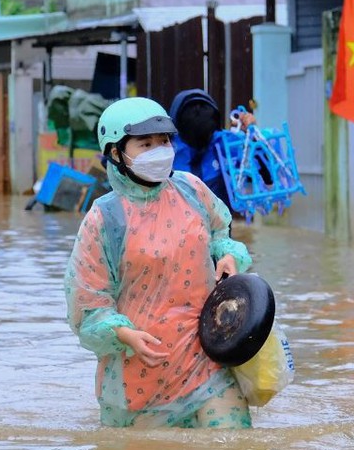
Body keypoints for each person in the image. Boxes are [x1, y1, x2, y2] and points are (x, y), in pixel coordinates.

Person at [65, 97, 254, 428]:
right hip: (141, 373)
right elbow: (88, 303)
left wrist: (228, 255)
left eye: (164, 141)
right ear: (115, 153)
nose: (160, 150)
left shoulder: (191, 190)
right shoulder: (104, 219)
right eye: (146, 144)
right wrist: (124, 334)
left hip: (206, 358)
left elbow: (220, 234)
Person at [168, 89, 256, 212]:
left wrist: (249, 131)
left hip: (216, 221)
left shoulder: (222, 141)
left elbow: (254, 155)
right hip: (186, 221)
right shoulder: (167, 146)